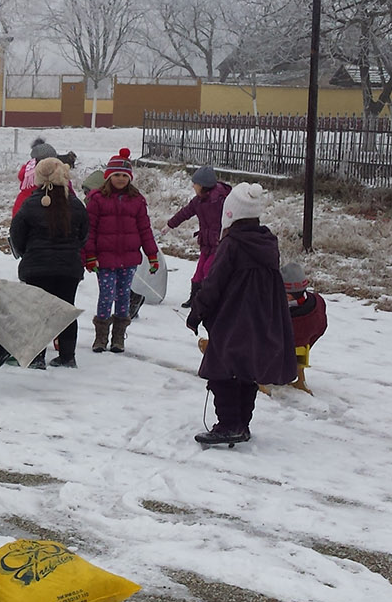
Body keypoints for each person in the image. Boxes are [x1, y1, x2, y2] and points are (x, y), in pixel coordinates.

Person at [185, 183, 295, 445]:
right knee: (245, 371)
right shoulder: (267, 242)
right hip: (261, 318)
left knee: (221, 370)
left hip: (233, 317)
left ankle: (227, 425)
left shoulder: (232, 244)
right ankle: (242, 424)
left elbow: (214, 283)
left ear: (230, 214)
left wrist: (197, 312)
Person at [9, 157, 89, 368]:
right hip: (68, 268)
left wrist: (29, 252)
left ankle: (36, 357)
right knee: (65, 311)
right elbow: (84, 234)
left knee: (38, 312)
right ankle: (67, 356)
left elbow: (17, 234)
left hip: (37, 267)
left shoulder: (29, 204)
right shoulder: (75, 204)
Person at [84, 149, 160, 355]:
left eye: (124, 176)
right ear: (108, 176)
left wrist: (152, 255)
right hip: (104, 259)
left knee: (123, 296)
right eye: (116, 175)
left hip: (129, 259)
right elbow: (89, 230)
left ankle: (118, 337)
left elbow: (145, 230)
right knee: (106, 295)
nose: (120, 179)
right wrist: (89, 255)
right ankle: (101, 336)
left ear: (130, 178)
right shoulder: (97, 199)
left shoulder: (136, 200)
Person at [167, 165, 232, 309]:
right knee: (199, 271)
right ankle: (195, 298)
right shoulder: (198, 201)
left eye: (195, 184)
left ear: (203, 185)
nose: (193, 186)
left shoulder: (220, 201)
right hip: (206, 242)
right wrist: (170, 225)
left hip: (218, 243)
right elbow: (185, 213)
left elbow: (232, 217)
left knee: (208, 270)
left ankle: (208, 300)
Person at [278, 262, 328, 394]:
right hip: (302, 346)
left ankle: (259, 378)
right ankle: (300, 378)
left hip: (276, 350)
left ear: (287, 295)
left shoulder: (278, 314)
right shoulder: (318, 304)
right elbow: (322, 328)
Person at [12, 138, 57, 218]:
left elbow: (20, 176)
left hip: (21, 204)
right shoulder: (52, 172)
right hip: (42, 208)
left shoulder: (28, 167)